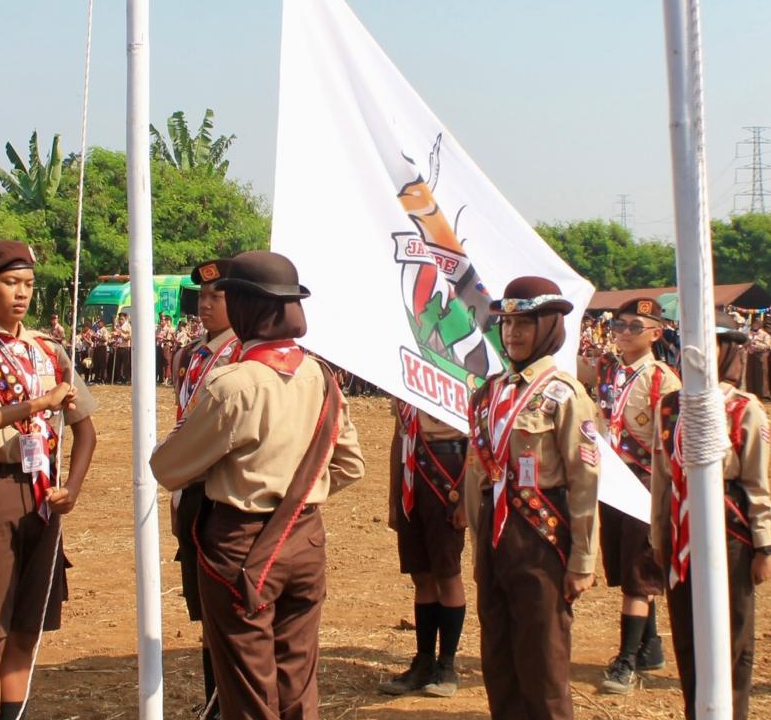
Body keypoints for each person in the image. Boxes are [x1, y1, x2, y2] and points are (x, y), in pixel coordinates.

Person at [151, 250, 364, 720]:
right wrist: (301, 490)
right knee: (297, 679)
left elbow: (168, 468)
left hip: (241, 540)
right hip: (305, 536)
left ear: (246, 309)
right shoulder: (321, 376)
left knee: (248, 690)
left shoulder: (234, 384)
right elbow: (350, 464)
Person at [0, 239, 99, 720]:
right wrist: (33, 406)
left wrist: (74, 485)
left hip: (44, 494)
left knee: (28, 628)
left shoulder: (48, 350)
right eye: (10, 283)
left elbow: (87, 431)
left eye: (28, 284)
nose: (22, 293)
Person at [463, 276, 599, 720]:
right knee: (498, 657)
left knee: (542, 659)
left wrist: (582, 559)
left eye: (525, 323)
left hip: (542, 536)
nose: (513, 333)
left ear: (549, 328)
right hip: (495, 536)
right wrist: (477, 536)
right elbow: (476, 473)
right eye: (507, 324)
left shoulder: (565, 394)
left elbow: (585, 480)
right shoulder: (489, 392)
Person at [649, 311, 771, 720]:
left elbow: (756, 481)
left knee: (732, 633)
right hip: (680, 533)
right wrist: (658, 537)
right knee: (686, 633)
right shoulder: (669, 407)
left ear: (726, 351)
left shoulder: (744, 409)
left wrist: (764, 545)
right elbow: (661, 477)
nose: (695, 355)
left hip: (730, 533)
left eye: (708, 345)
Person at [596, 297, 681, 695]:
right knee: (624, 563)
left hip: (644, 481)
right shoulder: (607, 369)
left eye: (635, 326)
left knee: (639, 572)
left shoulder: (662, 378)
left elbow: (670, 442)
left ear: (656, 333)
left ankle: (626, 661)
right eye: (620, 325)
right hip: (611, 478)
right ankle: (650, 645)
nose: (625, 333)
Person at [168, 259, 240, 720]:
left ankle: (230, 703)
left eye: (218, 297)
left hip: (225, 491)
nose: (206, 304)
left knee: (229, 610)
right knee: (206, 610)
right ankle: (215, 701)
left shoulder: (244, 357)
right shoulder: (193, 354)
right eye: (203, 297)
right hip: (192, 491)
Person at [378, 398, 469, 698]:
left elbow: (477, 440)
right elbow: (398, 437)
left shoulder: (460, 373)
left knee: (447, 573)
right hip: (411, 473)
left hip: (447, 471)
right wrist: (394, 500)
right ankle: (424, 661)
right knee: (421, 574)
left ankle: (447, 666)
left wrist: (466, 499)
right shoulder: (405, 372)